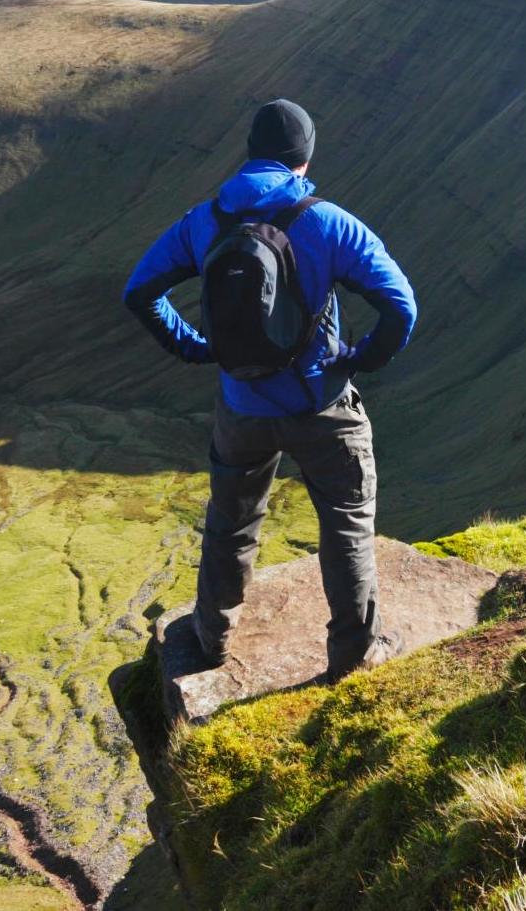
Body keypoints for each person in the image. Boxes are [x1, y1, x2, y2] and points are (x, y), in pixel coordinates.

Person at [123, 99, 417, 681]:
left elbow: (140, 291)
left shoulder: (205, 220)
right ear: (303, 159)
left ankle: (211, 639)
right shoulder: (328, 222)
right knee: (346, 523)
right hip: (321, 403)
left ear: (252, 153)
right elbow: (400, 307)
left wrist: (197, 346)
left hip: (241, 406)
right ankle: (354, 655)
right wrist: (359, 360)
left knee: (231, 522)